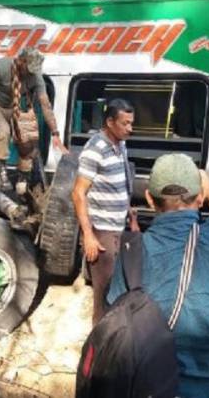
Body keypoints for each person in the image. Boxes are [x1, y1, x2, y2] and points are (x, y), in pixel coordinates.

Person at [106, 153, 209, 398]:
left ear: (150, 199)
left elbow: (115, 313)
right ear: (201, 197)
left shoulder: (133, 252)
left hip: (157, 386)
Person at [0, 48, 67, 192]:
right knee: (2, 130)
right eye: (28, 69)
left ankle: (23, 178)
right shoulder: (2, 67)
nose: (31, 73)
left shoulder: (36, 77)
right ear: (21, 61)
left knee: (27, 139)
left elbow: (45, 105)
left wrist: (55, 133)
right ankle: (0, 171)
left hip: (10, 108)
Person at [71, 99, 137, 324]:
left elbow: (121, 182)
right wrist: (88, 236)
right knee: (103, 294)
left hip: (119, 226)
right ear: (110, 122)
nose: (130, 128)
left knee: (118, 288)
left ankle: (112, 335)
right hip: (102, 233)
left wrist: (130, 214)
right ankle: (99, 347)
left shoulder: (121, 145)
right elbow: (78, 193)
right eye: (125, 123)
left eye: (131, 123)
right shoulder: (95, 149)